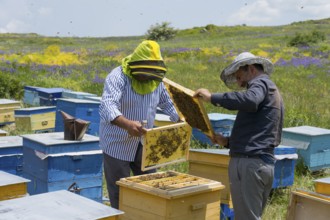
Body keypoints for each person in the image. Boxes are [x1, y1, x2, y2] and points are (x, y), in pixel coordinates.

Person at [194, 52, 284, 220]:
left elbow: (249, 100)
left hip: (250, 163)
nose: (239, 82)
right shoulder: (269, 90)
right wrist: (227, 142)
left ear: (250, 69)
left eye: (239, 76)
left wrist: (212, 97)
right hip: (260, 161)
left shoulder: (260, 84)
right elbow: (260, 132)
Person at [99, 40, 180, 209]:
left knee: (150, 188)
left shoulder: (155, 80)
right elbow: (107, 105)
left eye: (150, 73)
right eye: (144, 73)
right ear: (136, 65)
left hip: (145, 143)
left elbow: (167, 103)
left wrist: (180, 118)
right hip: (117, 143)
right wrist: (127, 124)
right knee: (119, 191)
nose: (146, 77)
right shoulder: (117, 76)